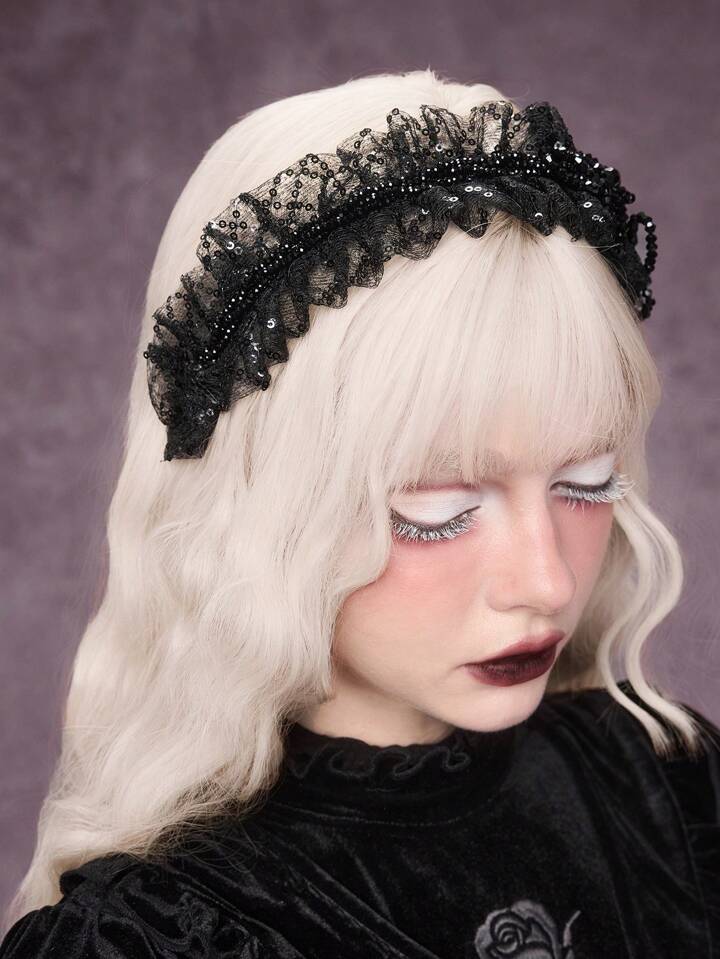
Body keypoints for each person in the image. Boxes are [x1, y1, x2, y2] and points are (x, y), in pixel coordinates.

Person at [1, 68, 718, 959]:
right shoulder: (161, 934)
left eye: (586, 481)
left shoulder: (664, 787)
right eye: (440, 509)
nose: (545, 579)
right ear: (269, 501)